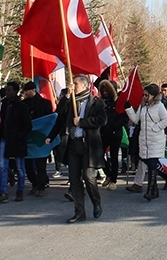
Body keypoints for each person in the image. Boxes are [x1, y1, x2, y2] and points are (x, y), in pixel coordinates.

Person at [51, 75, 106, 223]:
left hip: (88, 145)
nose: (73, 86)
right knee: (74, 180)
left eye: (75, 84)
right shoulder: (70, 102)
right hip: (73, 145)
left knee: (89, 177)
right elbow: (59, 113)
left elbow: (102, 120)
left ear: (84, 85)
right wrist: (67, 95)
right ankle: (79, 211)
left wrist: (82, 122)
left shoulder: (96, 102)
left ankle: (96, 202)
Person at [125, 84, 167, 201]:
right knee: (147, 161)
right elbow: (136, 119)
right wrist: (128, 109)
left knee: (152, 165)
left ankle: (151, 190)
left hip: (155, 140)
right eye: (143, 95)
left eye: (146, 95)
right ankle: (156, 188)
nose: (144, 97)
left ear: (153, 95)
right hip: (144, 140)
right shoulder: (143, 106)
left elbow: (166, 120)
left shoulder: (159, 106)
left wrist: (155, 128)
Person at [0, 82, 32, 204]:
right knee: (2, 166)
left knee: (20, 167)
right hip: (5, 138)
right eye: (6, 90)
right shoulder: (3, 105)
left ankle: (20, 190)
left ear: (15, 91)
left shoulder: (22, 106)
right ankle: (3, 192)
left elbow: (28, 126)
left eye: (9, 90)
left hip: (17, 140)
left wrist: (19, 135)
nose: (7, 93)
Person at [22, 81, 53, 197]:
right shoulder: (23, 104)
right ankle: (34, 182)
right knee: (28, 164)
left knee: (40, 164)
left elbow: (49, 119)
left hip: (40, 136)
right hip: (28, 137)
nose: (25, 94)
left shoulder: (45, 103)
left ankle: (41, 186)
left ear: (33, 90)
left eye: (27, 91)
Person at [99, 80, 129, 191]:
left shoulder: (119, 102)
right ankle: (109, 174)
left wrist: (113, 126)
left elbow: (125, 118)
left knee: (114, 156)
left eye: (107, 90)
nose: (105, 92)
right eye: (103, 90)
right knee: (99, 154)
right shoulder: (101, 101)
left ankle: (113, 180)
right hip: (103, 132)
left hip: (115, 132)